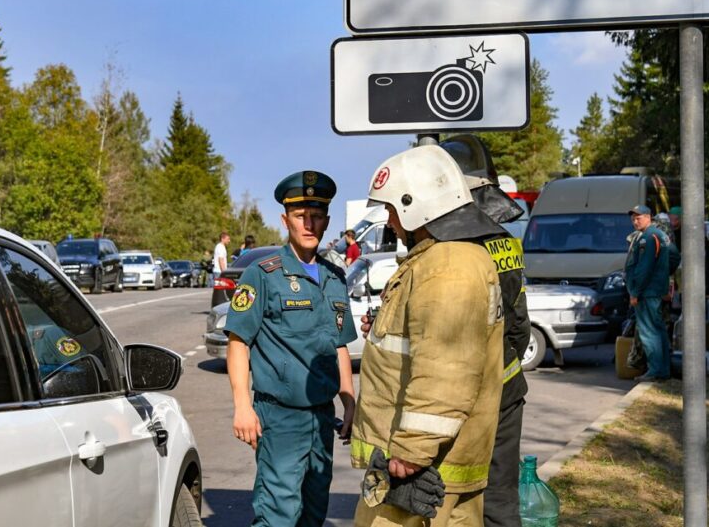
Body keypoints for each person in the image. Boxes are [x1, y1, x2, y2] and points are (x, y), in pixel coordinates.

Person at [351, 145, 504, 526]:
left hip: (419, 473)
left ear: (412, 204)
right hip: (429, 468)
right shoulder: (440, 259)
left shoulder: (448, 267)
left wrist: (411, 450)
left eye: (391, 209)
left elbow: (447, 368)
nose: (389, 222)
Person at [223, 171, 357, 527]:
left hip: (322, 417)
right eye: (300, 216)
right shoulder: (262, 275)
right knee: (278, 514)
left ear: (327, 221)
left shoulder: (334, 277)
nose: (309, 224)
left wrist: (349, 400)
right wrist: (242, 407)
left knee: (314, 512)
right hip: (280, 418)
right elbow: (238, 342)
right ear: (286, 220)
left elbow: (339, 344)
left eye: (316, 216)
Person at [440, 134, 531, 527]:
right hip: (508, 389)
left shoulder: (450, 250)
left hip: (462, 397)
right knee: (500, 499)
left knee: (454, 500)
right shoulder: (506, 242)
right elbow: (520, 327)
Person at [625, 205, 672, 382]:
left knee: (648, 332)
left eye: (639, 218)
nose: (635, 221)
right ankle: (662, 370)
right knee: (658, 330)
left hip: (646, 292)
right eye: (633, 218)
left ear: (648, 217)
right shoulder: (658, 235)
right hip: (654, 290)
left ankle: (655, 371)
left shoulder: (648, 238)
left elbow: (644, 269)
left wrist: (635, 292)